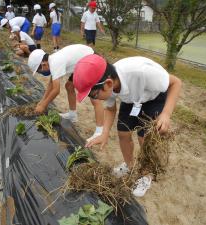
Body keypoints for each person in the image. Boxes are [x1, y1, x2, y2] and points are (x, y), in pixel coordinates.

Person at [73, 54, 182, 197]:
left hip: (154, 98)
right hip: (132, 99)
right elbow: (111, 110)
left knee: (145, 139)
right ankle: (129, 165)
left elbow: (176, 83)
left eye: (93, 94)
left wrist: (166, 114)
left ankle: (145, 175)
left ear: (108, 84)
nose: (93, 99)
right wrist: (104, 133)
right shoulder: (111, 85)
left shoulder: (142, 72)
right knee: (123, 133)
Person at [27, 44, 104, 141]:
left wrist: (43, 105)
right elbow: (51, 84)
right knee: (69, 86)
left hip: (91, 61)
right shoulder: (52, 59)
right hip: (81, 61)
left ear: (43, 64)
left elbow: (56, 90)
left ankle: (99, 132)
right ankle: (72, 115)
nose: (41, 73)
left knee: (94, 97)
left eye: (39, 71)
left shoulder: (55, 62)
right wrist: (42, 101)